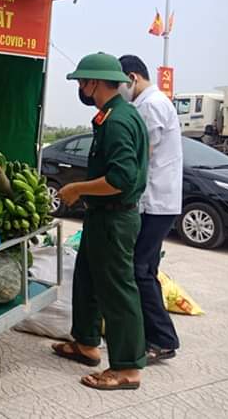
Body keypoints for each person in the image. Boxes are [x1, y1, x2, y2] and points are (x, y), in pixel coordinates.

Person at [51, 52, 149, 390]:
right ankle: (86, 343)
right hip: (101, 217)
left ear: (94, 82)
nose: (80, 87)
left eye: (82, 81)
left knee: (118, 290)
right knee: (88, 280)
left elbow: (121, 178)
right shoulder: (112, 115)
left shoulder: (119, 121)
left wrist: (77, 188)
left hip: (115, 218)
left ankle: (127, 368)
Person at [119, 54, 182, 363]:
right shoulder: (146, 103)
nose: (120, 90)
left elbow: (143, 153)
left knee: (139, 270)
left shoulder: (151, 105)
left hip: (157, 201)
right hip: (157, 200)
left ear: (132, 77)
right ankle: (152, 335)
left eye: (119, 83)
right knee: (147, 269)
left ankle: (163, 339)